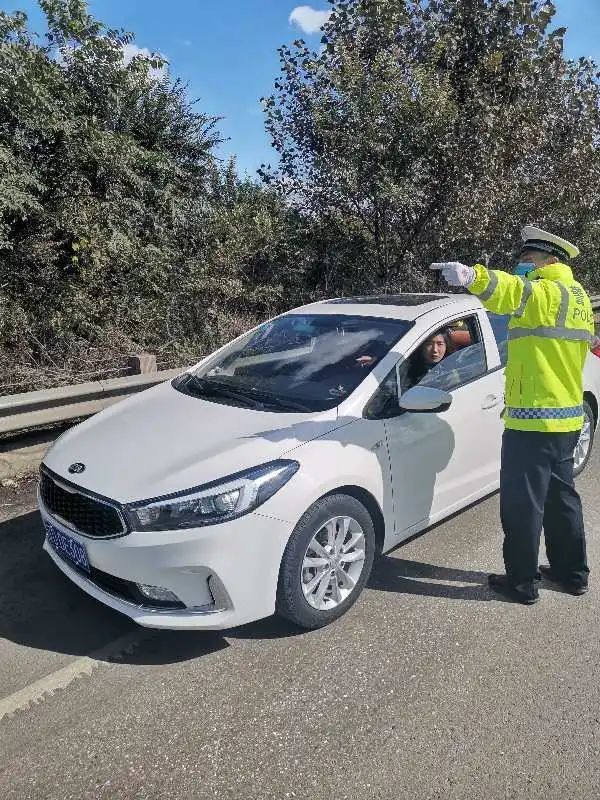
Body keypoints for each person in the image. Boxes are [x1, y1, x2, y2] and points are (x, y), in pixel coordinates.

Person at [431, 225, 595, 605]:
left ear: (550, 260)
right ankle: (572, 574)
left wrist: (471, 275)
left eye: (527, 261)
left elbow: (507, 291)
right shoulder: (580, 297)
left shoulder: (545, 292)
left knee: (523, 506)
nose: (523, 267)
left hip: (533, 421)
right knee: (561, 500)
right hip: (567, 417)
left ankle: (521, 583)